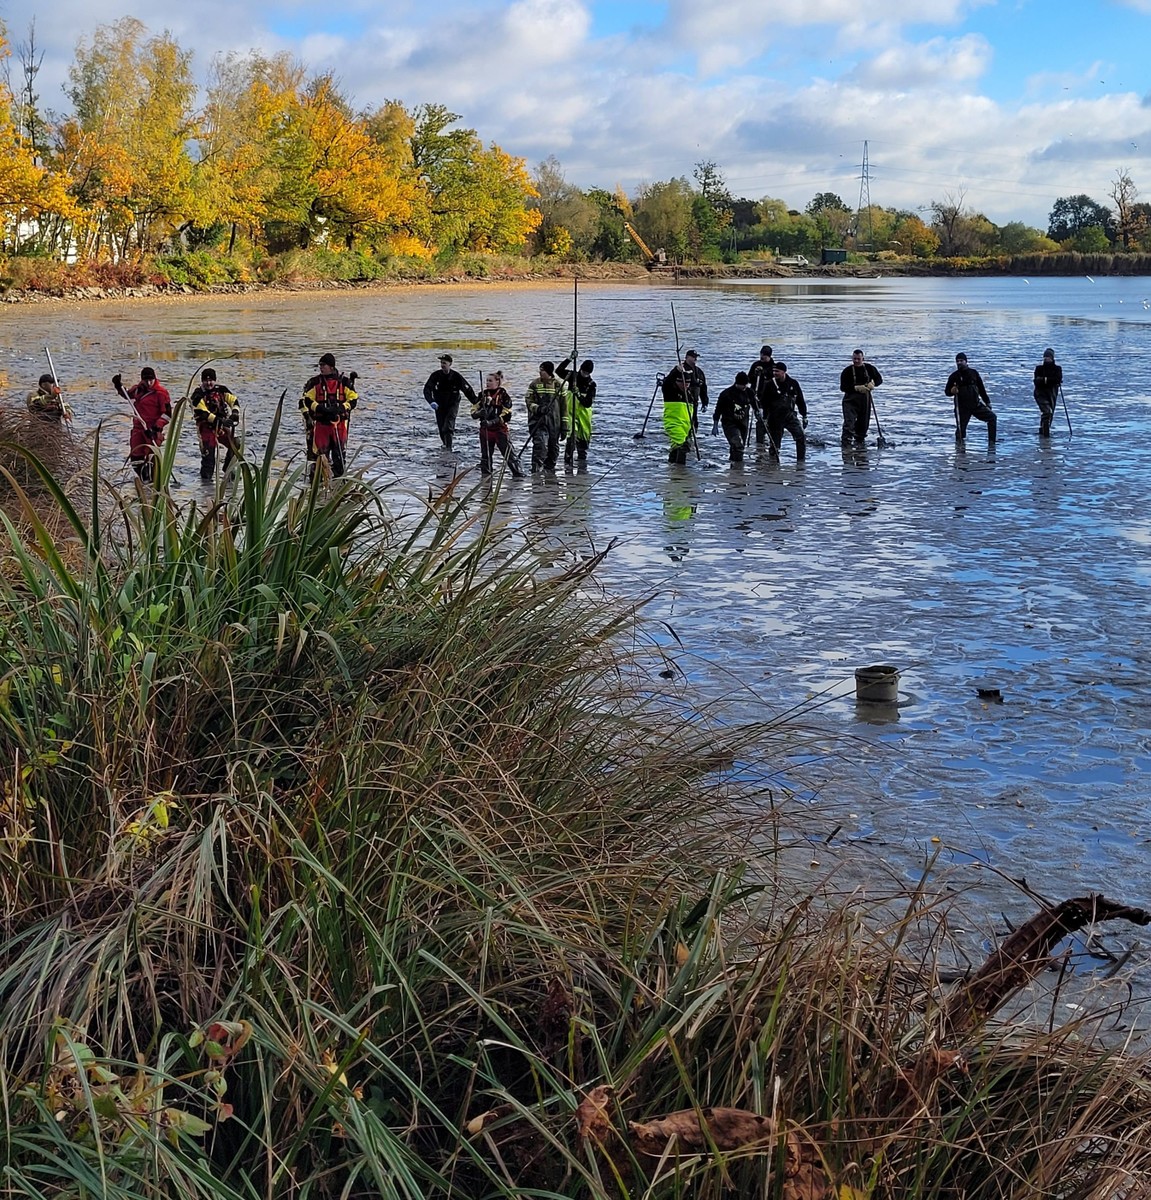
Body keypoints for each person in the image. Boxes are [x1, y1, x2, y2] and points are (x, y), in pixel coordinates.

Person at [300, 352, 358, 478]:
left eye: (323, 365)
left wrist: (340, 408)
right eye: (320, 365)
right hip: (321, 425)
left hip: (339, 425)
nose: (320, 367)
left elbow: (353, 399)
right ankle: (317, 483)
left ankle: (339, 481)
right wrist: (321, 409)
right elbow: (307, 400)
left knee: (339, 457)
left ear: (331, 367)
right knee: (320, 458)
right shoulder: (314, 383)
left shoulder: (344, 382)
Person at [114, 367, 172, 482]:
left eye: (151, 380)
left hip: (153, 431)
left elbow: (167, 414)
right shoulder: (138, 390)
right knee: (136, 457)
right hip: (138, 428)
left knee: (151, 458)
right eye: (146, 380)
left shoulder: (161, 393)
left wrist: (156, 427)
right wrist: (118, 386)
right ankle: (143, 479)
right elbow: (127, 395)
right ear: (142, 380)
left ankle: (154, 483)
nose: (149, 383)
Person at [190, 367, 240, 480]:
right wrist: (220, 420)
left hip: (221, 428)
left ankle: (228, 469)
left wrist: (235, 413)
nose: (209, 383)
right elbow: (202, 412)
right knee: (209, 458)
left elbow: (234, 400)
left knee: (236, 443)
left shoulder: (221, 390)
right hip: (207, 429)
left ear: (215, 380)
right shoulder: (197, 395)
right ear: (202, 381)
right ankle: (206, 486)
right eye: (206, 381)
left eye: (211, 380)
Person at [471, 371, 524, 477]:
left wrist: (492, 422)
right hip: (485, 430)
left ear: (497, 382)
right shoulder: (482, 395)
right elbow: (473, 411)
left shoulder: (504, 395)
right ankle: (486, 479)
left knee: (509, 455)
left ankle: (518, 476)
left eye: (490, 381)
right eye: (486, 381)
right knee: (486, 457)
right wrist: (479, 413)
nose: (487, 383)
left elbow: (507, 415)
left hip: (500, 430)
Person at [661, 349, 708, 465]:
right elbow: (667, 382)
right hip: (674, 423)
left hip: (687, 422)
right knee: (683, 445)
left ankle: (673, 464)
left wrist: (705, 401)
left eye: (687, 383)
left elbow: (703, 388)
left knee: (678, 446)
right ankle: (680, 468)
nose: (685, 385)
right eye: (683, 383)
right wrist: (676, 371)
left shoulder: (690, 392)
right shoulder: (670, 391)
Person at [423, 353, 476, 450]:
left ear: (450, 364)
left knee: (448, 425)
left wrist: (475, 402)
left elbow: (467, 390)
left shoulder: (456, 376)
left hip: (453, 403)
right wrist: (431, 401)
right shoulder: (435, 376)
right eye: (441, 363)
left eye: (444, 363)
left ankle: (449, 447)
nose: (442, 365)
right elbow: (427, 389)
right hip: (439, 404)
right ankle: (445, 444)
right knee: (441, 425)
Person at [945, 352, 996, 445]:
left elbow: (981, 389)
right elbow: (947, 392)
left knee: (992, 418)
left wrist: (987, 402)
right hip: (962, 408)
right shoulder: (954, 376)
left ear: (966, 361)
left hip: (976, 405)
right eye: (957, 361)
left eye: (961, 361)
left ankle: (992, 442)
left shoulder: (974, 373)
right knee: (960, 430)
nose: (959, 363)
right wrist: (952, 391)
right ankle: (960, 449)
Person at [525, 361, 565, 473]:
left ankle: (549, 474)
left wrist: (565, 426)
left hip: (554, 423)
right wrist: (538, 409)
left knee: (553, 450)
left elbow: (564, 407)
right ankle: (536, 472)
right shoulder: (534, 384)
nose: (540, 372)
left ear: (548, 371)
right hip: (538, 422)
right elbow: (528, 401)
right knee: (540, 446)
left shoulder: (558, 385)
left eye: (542, 370)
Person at [765, 361, 807, 462]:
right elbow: (764, 403)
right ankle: (773, 466)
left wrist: (804, 415)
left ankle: (800, 462)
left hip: (790, 416)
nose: (774, 373)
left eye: (777, 371)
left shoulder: (793, 383)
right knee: (775, 445)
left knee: (800, 437)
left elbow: (800, 400)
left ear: (784, 372)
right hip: (774, 418)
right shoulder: (769, 385)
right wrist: (765, 417)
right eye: (773, 371)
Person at [839, 349, 883, 446]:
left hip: (865, 400)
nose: (856, 361)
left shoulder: (870, 368)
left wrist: (873, 383)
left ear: (863, 358)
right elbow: (843, 387)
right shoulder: (847, 371)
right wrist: (855, 388)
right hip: (850, 401)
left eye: (858, 359)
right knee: (849, 423)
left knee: (863, 424)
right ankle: (846, 444)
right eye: (854, 359)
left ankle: (860, 444)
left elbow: (879, 380)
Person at [556, 356, 595, 465]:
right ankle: (568, 460)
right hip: (570, 410)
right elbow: (558, 371)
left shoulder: (591, 384)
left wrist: (578, 395)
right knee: (571, 435)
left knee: (583, 436)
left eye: (587, 373)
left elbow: (588, 403)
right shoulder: (572, 376)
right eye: (583, 371)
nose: (584, 374)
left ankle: (582, 461)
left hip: (583, 413)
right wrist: (569, 359)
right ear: (580, 369)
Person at [711, 371, 754, 462]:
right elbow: (718, 410)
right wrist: (715, 425)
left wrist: (759, 413)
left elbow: (755, 405)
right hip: (729, 423)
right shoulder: (726, 394)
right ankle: (739, 468)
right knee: (738, 444)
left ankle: (733, 466)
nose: (745, 387)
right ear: (737, 383)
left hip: (743, 423)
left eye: (746, 384)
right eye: (743, 385)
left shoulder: (749, 392)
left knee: (738, 447)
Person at [747, 345, 775, 446]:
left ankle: (770, 438)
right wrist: (755, 374)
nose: (762, 357)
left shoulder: (774, 367)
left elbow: (773, 379)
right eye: (761, 354)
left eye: (764, 355)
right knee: (760, 420)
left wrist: (764, 373)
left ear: (769, 356)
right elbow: (749, 379)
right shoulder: (755, 365)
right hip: (756, 396)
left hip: (769, 398)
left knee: (769, 419)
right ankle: (760, 441)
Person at [1033, 347, 1062, 438]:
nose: (1046, 359)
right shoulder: (1039, 368)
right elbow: (1036, 381)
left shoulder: (1057, 368)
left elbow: (1058, 379)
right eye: (1045, 357)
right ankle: (1046, 435)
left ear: (1052, 358)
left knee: (1051, 413)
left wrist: (1044, 380)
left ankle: (1043, 429)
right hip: (1040, 393)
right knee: (1047, 412)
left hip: (1052, 393)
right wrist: (1049, 380)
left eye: (1048, 357)